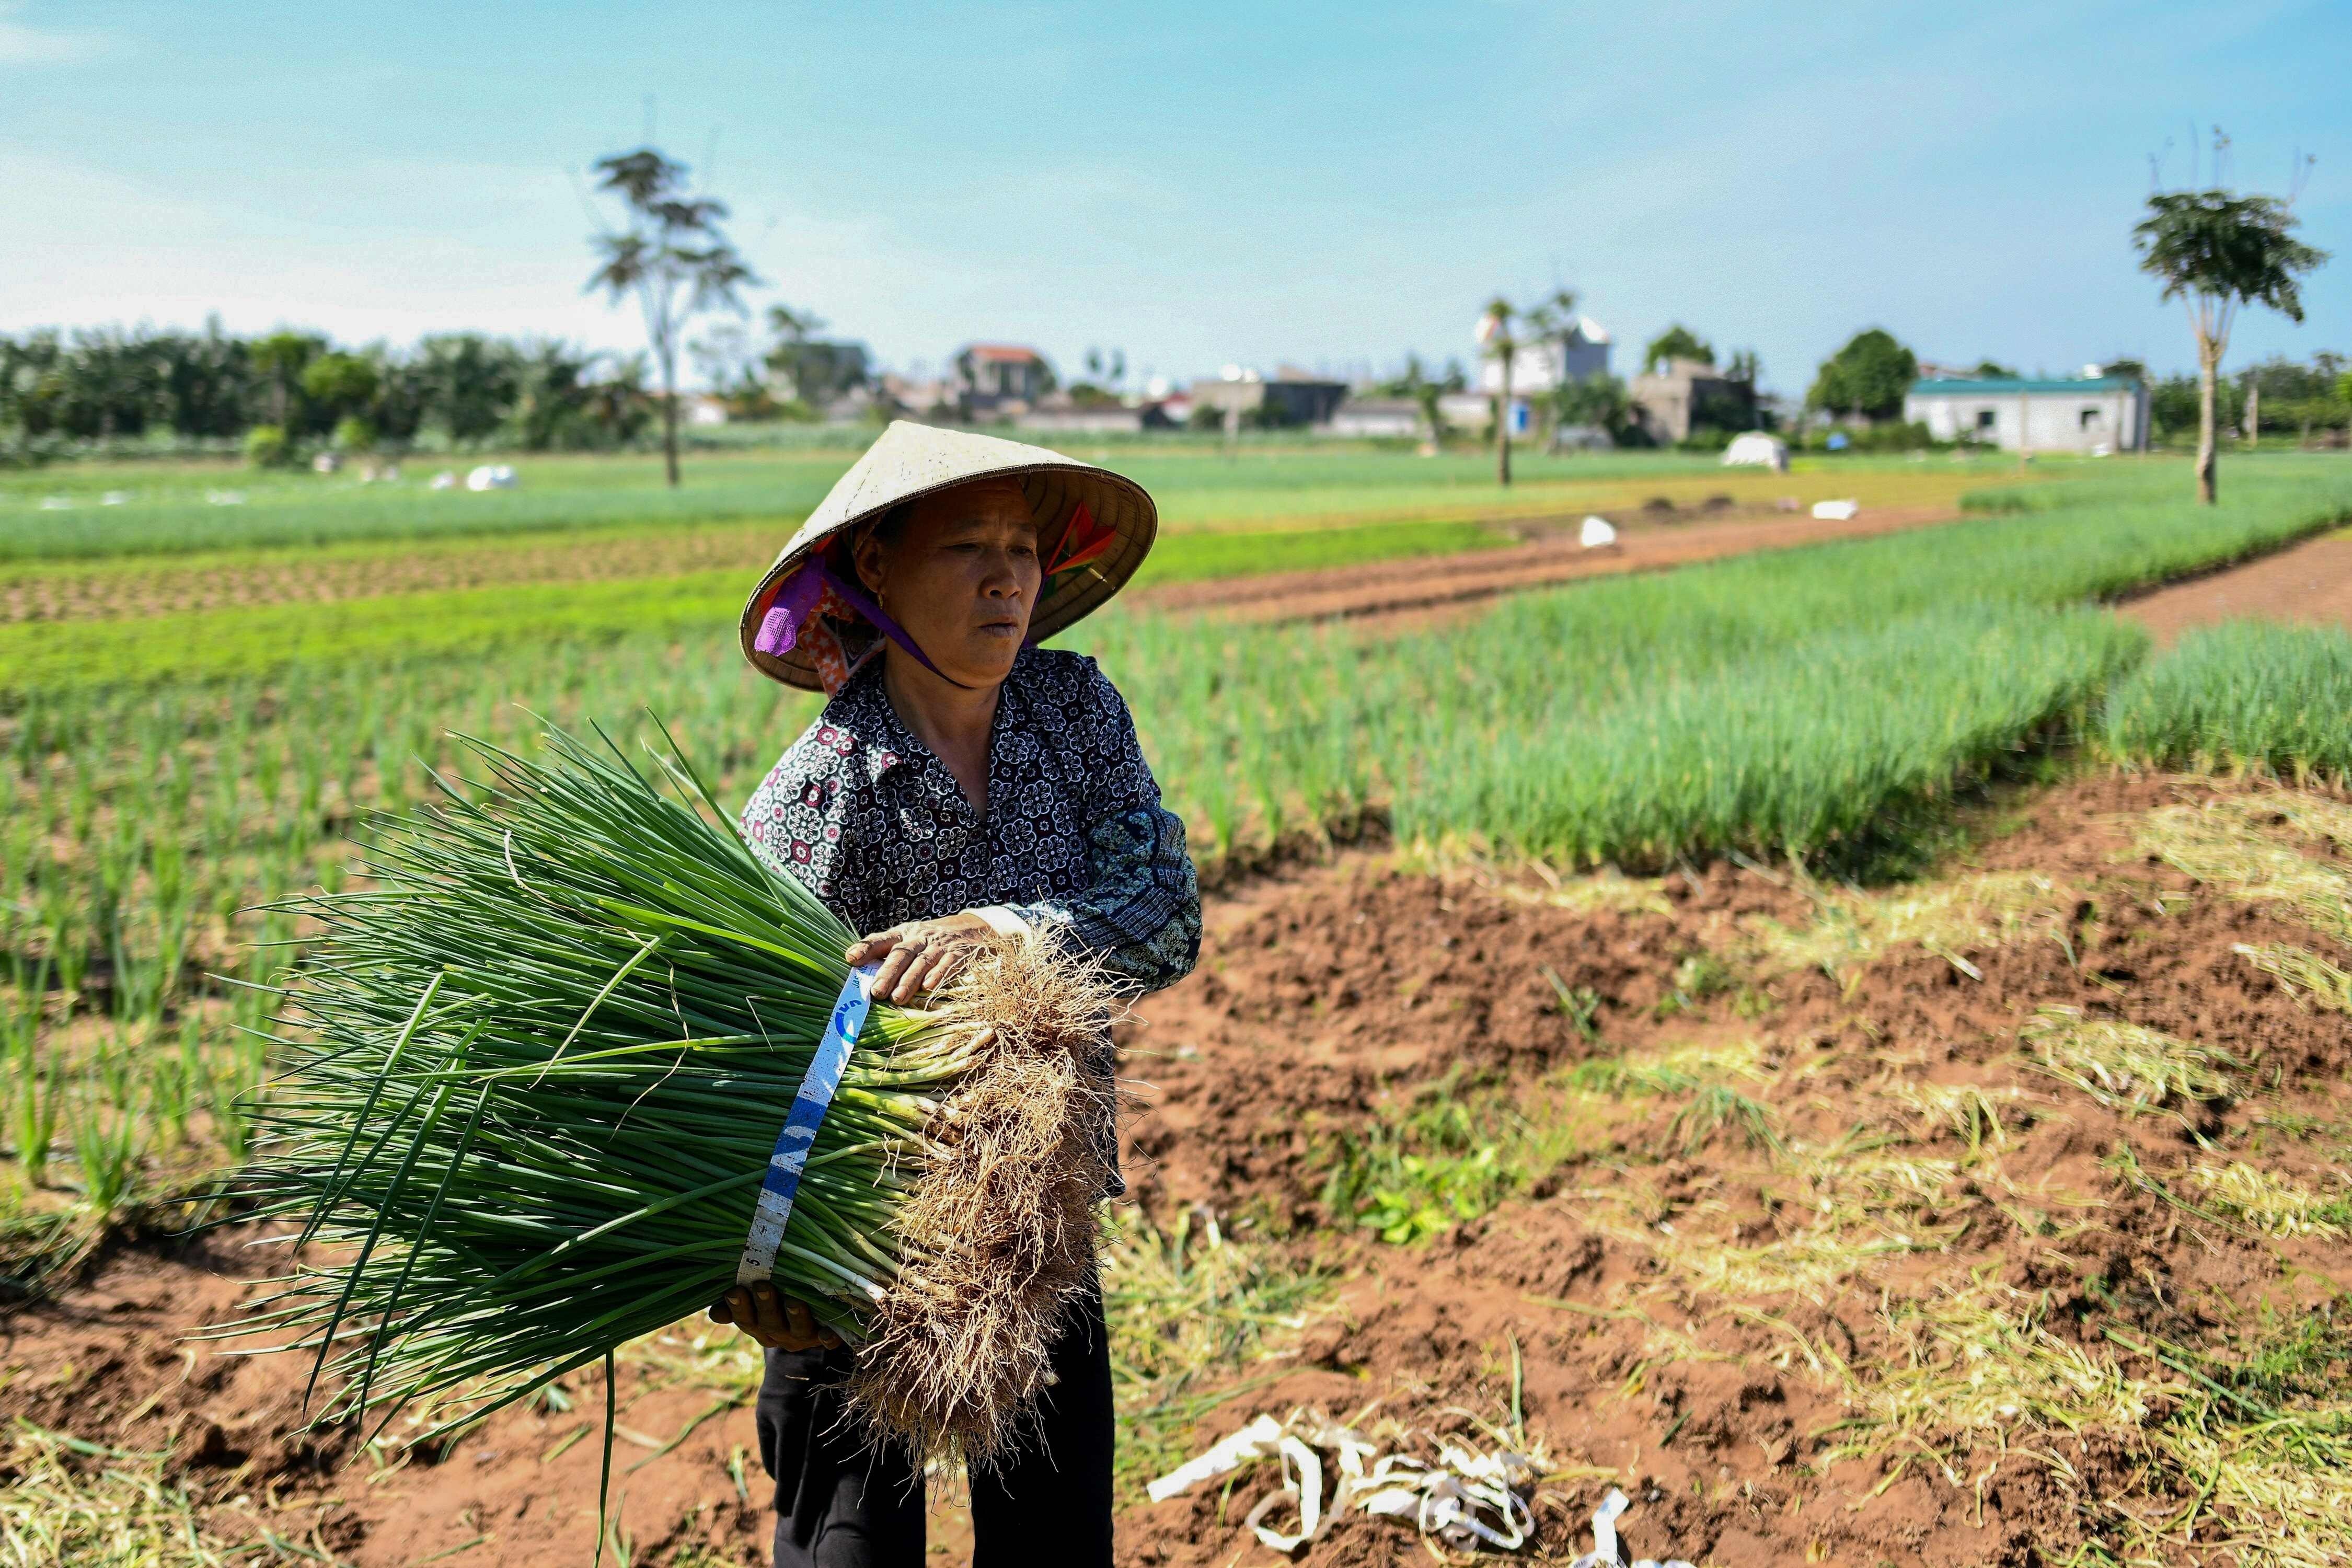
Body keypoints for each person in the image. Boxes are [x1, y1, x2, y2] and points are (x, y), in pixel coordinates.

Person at [709, 422, 1201, 1567]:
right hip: (851, 1257)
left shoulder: (1076, 716)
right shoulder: (815, 799)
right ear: (874, 569)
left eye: (1024, 549)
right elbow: (735, 1057)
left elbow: (1167, 914)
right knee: (848, 1558)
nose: (1006, 579)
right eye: (966, 547)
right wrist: (749, 1273)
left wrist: (1004, 932)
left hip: (1036, 1239)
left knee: (1055, 1552)